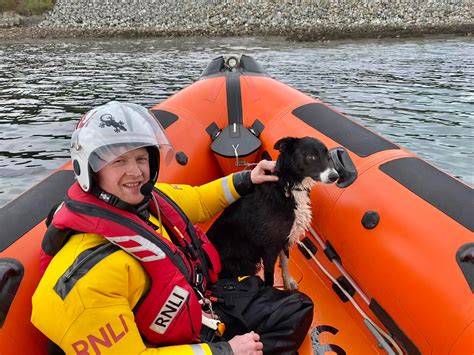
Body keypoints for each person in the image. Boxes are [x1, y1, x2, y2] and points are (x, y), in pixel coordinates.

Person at [31, 101, 313, 354]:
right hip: (169, 340)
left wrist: (248, 178)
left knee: (293, 306)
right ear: (91, 171)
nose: (135, 172)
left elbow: (200, 201)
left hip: (194, 304)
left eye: (141, 159)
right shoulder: (88, 283)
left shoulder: (145, 200)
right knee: (289, 315)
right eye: (119, 161)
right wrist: (226, 351)